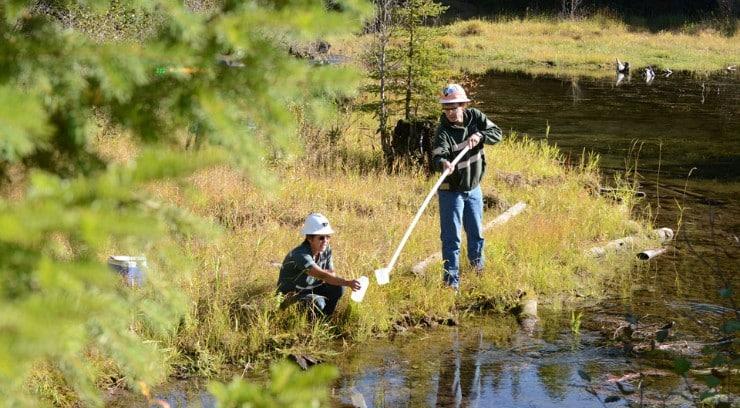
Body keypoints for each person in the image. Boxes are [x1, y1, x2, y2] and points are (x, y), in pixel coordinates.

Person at [432, 84, 503, 290]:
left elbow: (496, 133)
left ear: (463, 105)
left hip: (473, 189)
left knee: (476, 234)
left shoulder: (476, 117)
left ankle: (477, 273)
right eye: (446, 108)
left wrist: (480, 136)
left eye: (454, 108)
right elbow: (438, 155)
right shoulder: (442, 131)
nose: (450, 113)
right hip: (450, 191)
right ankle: (450, 283)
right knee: (451, 238)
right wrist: (444, 163)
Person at [277, 213, 362, 317]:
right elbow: (324, 275)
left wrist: (334, 279)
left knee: (338, 288)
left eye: (328, 237)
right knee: (318, 302)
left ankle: (325, 319)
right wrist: (348, 282)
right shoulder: (300, 255)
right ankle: (305, 324)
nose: (325, 241)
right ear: (309, 238)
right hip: (292, 296)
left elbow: (331, 275)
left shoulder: (326, 251)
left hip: (311, 290)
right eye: (321, 238)